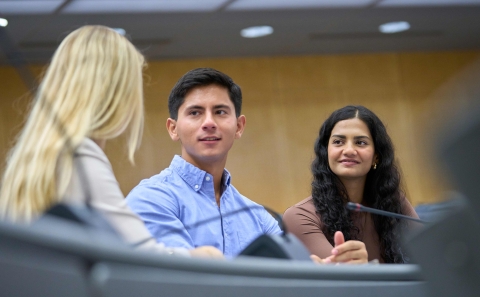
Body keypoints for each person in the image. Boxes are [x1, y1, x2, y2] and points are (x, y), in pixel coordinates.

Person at [0, 26, 222, 259]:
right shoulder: (80, 157)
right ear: (115, 93)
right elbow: (139, 257)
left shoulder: (31, 159)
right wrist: (203, 256)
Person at [126, 68, 282, 257]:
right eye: (195, 113)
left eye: (220, 111)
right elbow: (183, 278)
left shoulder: (258, 216)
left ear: (239, 127)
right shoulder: (150, 199)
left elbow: (288, 273)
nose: (209, 123)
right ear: (173, 129)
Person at [283, 105, 418, 264]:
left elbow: (432, 257)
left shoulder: (393, 203)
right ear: (326, 152)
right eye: (338, 142)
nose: (348, 150)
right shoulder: (300, 216)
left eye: (360, 142)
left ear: (376, 157)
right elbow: (344, 279)